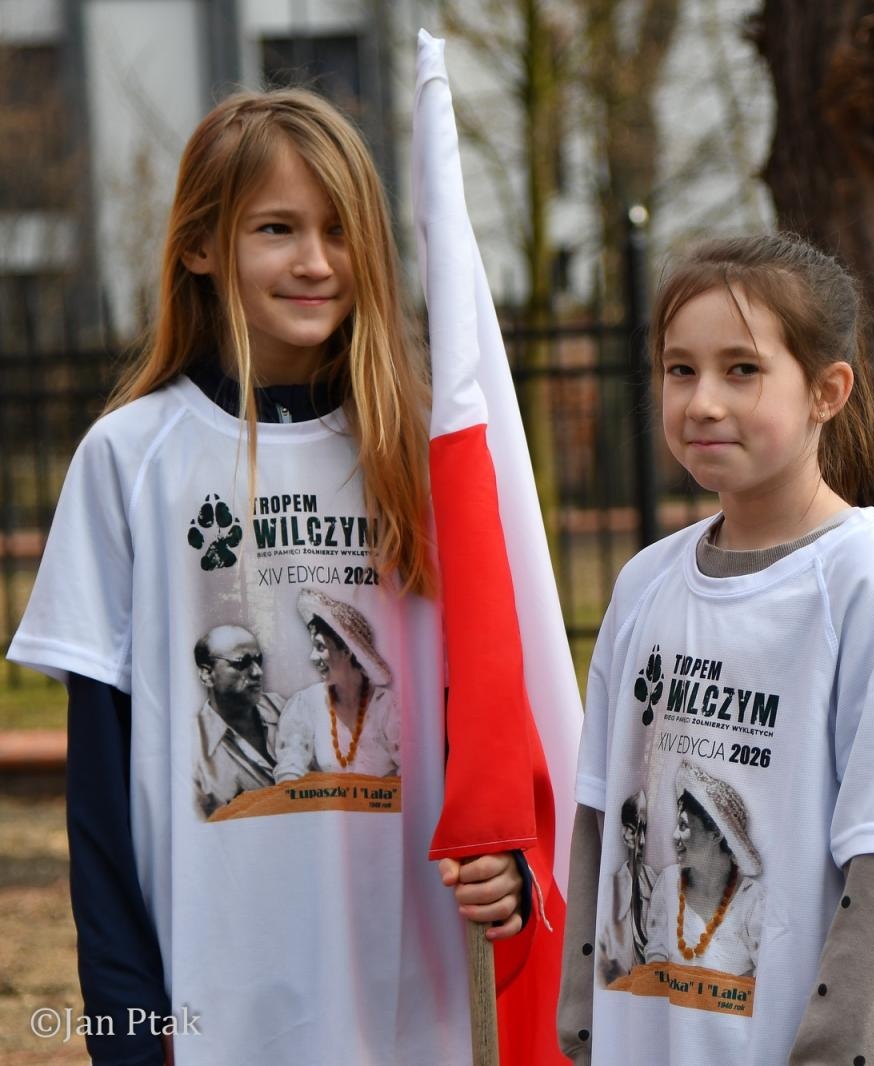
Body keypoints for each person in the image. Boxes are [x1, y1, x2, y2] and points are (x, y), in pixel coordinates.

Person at [6, 89, 531, 1065]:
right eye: (278, 228)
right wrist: (128, 1025)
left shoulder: (428, 456)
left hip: (413, 1011)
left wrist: (517, 870)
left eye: (339, 230)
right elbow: (98, 795)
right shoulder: (130, 458)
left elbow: (498, 714)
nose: (316, 261)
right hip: (216, 1011)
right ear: (202, 245)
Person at [555, 234, 874, 1065]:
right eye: (681, 370)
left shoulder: (870, 588)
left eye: (741, 369)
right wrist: (584, 1023)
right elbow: (603, 822)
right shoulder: (644, 585)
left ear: (828, 391)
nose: (703, 401)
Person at [642, 763, 763, 978]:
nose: (675, 837)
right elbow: (655, 955)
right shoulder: (669, 883)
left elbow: (765, 976)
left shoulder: (752, 900)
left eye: (684, 826)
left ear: (716, 833)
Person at [274, 587, 401, 780]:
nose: (312, 657)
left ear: (346, 650)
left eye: (320, 647)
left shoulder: (389, 707)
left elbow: (413, 770)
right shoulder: (307, 704)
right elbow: (290, 767)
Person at [191, 624, 285, 817]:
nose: (257, 672)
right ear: (207, 674)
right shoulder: (193, 751)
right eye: (242, 663)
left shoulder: (284, 708)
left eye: (259, 660)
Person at [597, 790, 658, 985]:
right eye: (639, 829)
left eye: (648, 830)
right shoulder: (608, 893)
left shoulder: (660, 888)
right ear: (628, 834)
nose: (644, 840)